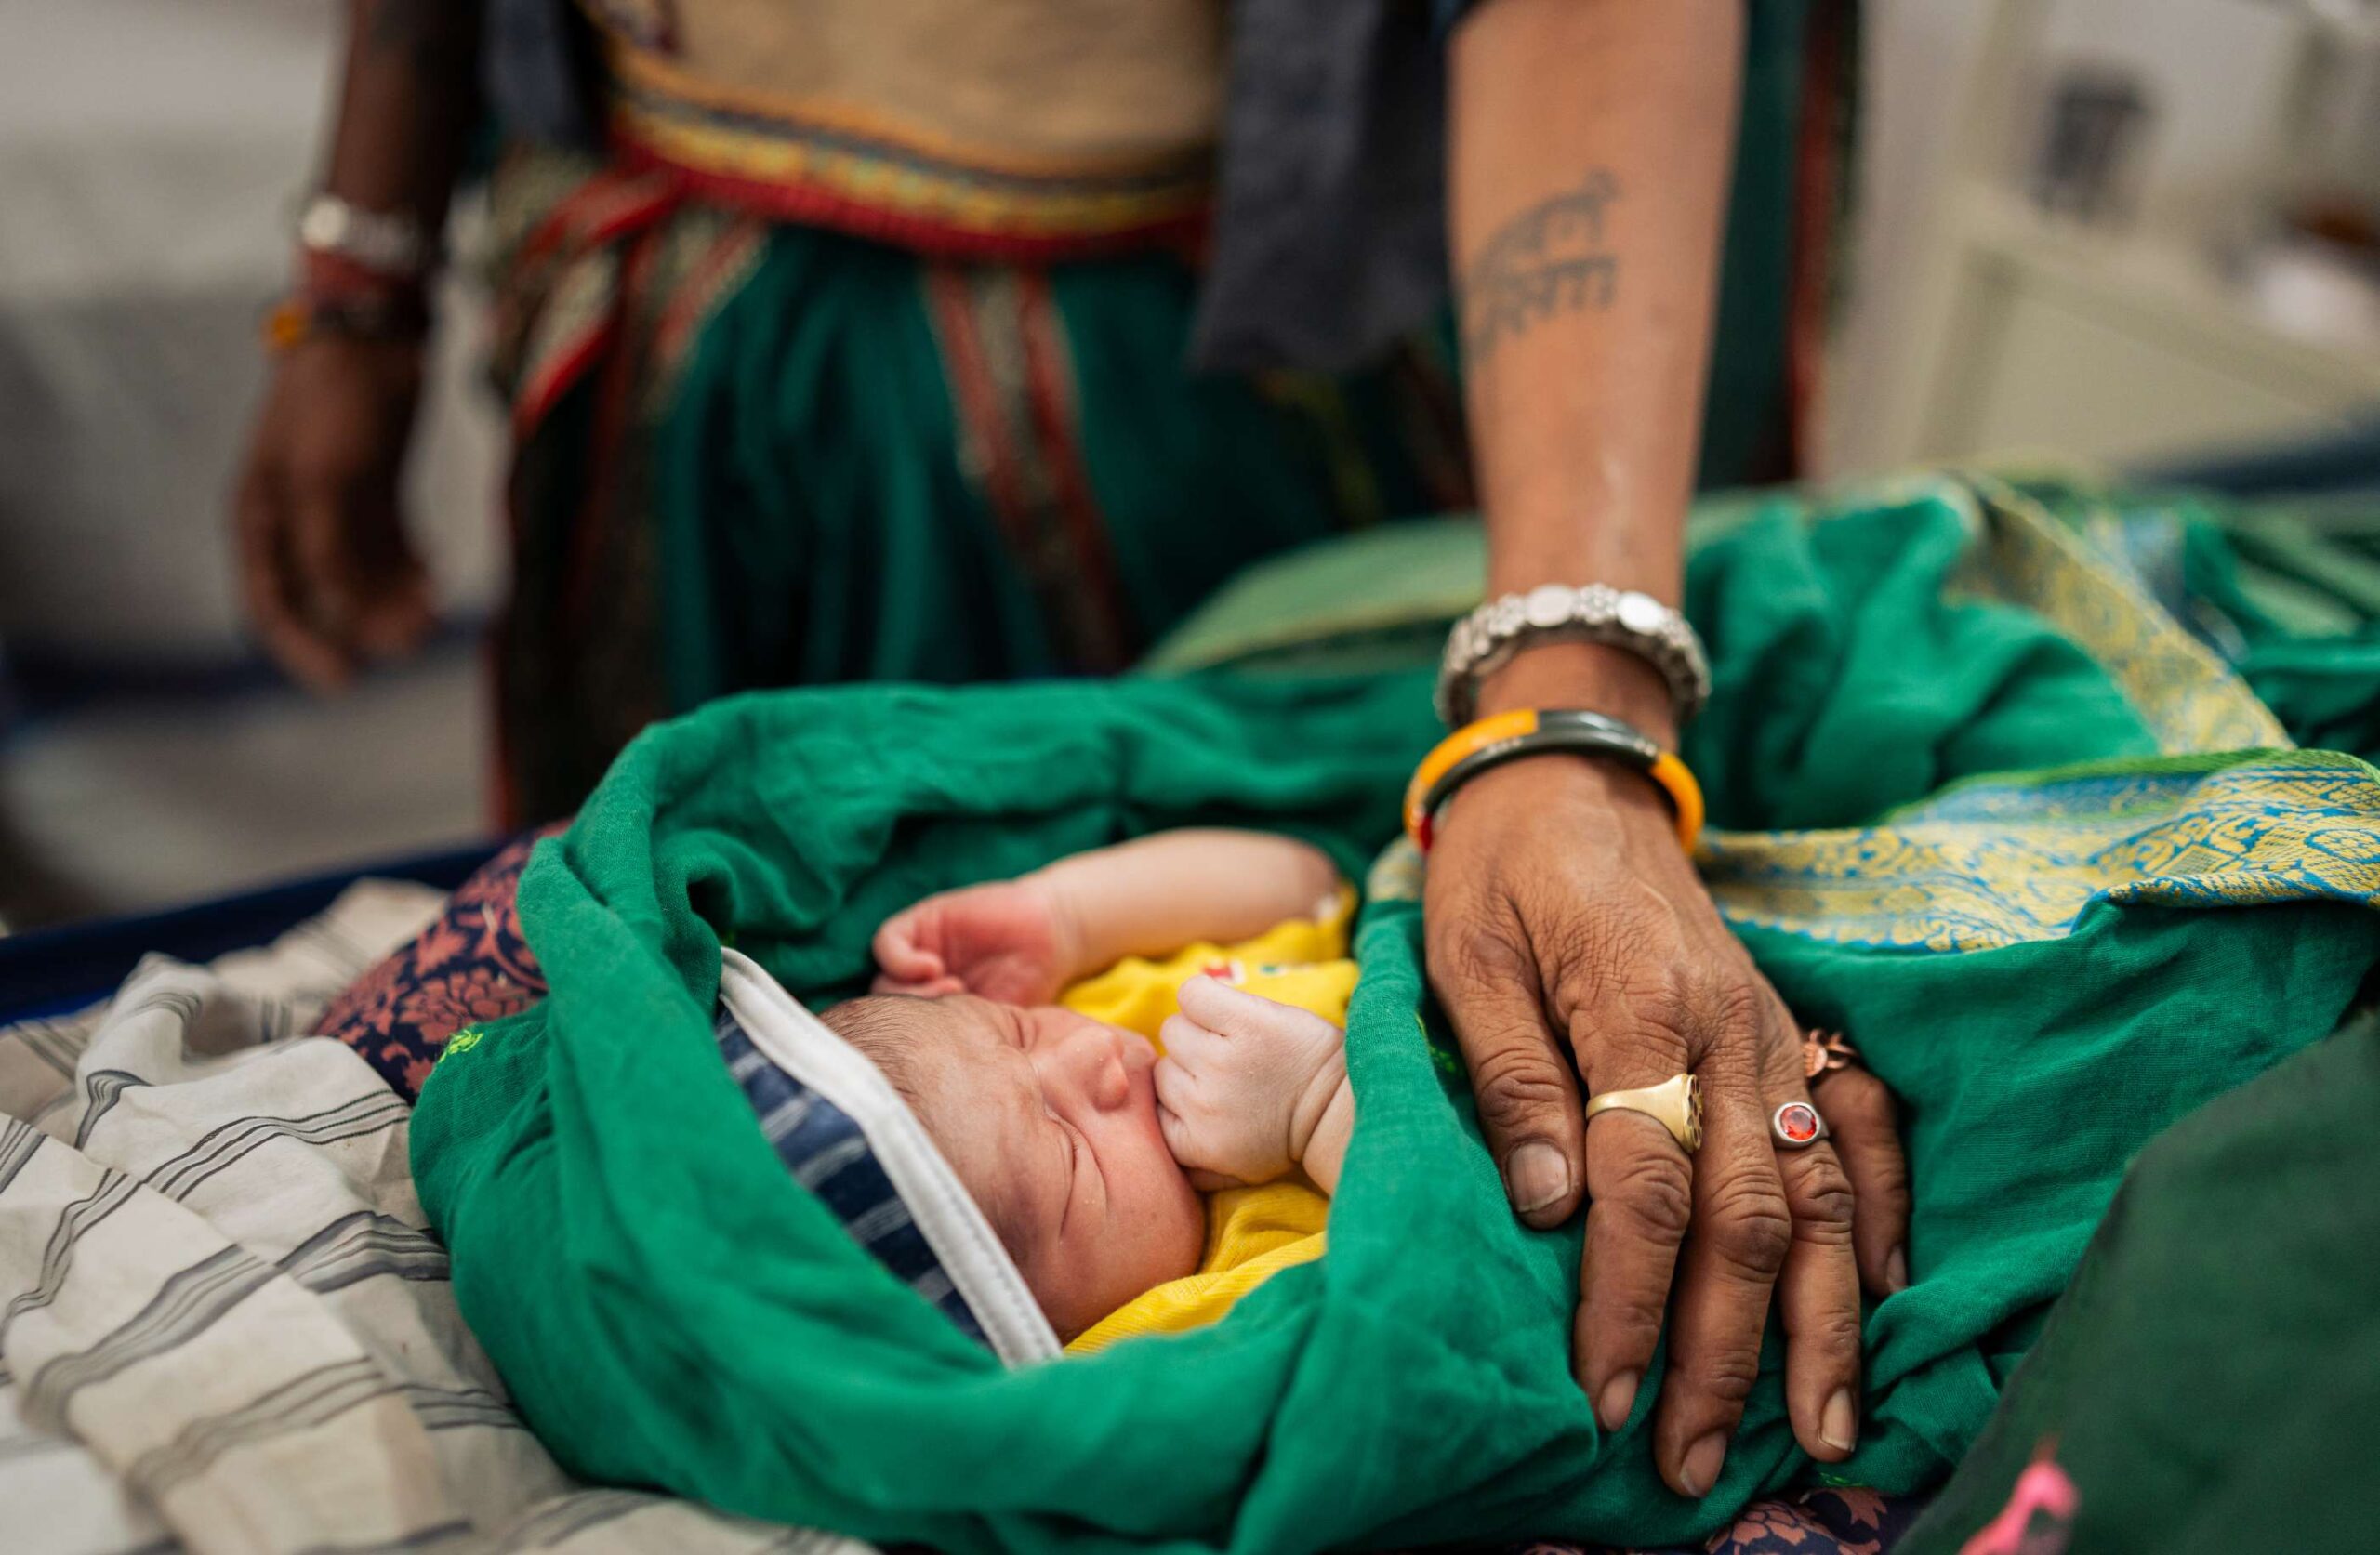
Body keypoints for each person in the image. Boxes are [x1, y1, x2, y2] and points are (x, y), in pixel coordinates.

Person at [235, 0, 1898, 1500]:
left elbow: (1300, 872)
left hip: (1170, 346)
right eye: (1048, 1170)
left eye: (1025, 1045)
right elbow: (1436, 1317)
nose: (1100, 1067)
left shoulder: (1111, 1039)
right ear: (1015, 1339)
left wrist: (1079, 918)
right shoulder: (1172, 1330)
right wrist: (1330, 1101)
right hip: (689, 272)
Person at [826, 827, 1359, 1345]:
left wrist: (1068, 918)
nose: (1092, 1050)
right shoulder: (1195, 1326)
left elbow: (1307, 882)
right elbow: (1427, 1257)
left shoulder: (1094, 996)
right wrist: (1322, 1103)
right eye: (1071, 1151)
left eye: (1019, 1030)